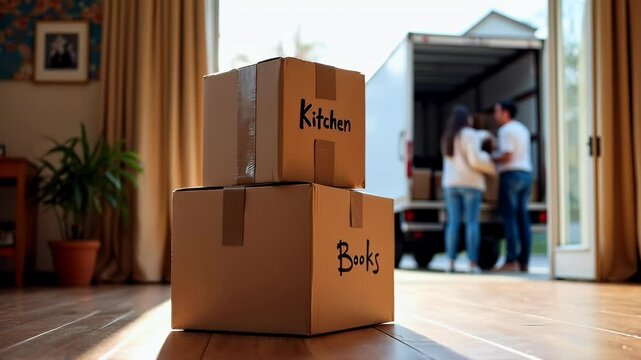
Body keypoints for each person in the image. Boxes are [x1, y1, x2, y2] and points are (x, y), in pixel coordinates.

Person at [441, 105, 495, 273]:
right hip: (471, 184)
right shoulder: (469, 134)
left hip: (451, 184)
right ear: (467, 119)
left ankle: (451, 261)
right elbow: (475, 159)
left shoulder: (448, 137)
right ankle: (472, 262)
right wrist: (491, 166)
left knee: (453, 224)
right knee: (472, 223)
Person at [492, 100, 533, 272]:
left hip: (511, 175)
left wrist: (490, 157)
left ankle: (511, 261)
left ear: (505, 113)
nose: (495, 116)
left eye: (497, 112)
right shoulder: (522, 128)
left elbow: (507, 156)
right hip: (526, 174)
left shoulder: (505, 130)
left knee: (510, 219)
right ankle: (524, 262)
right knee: (523, 219)